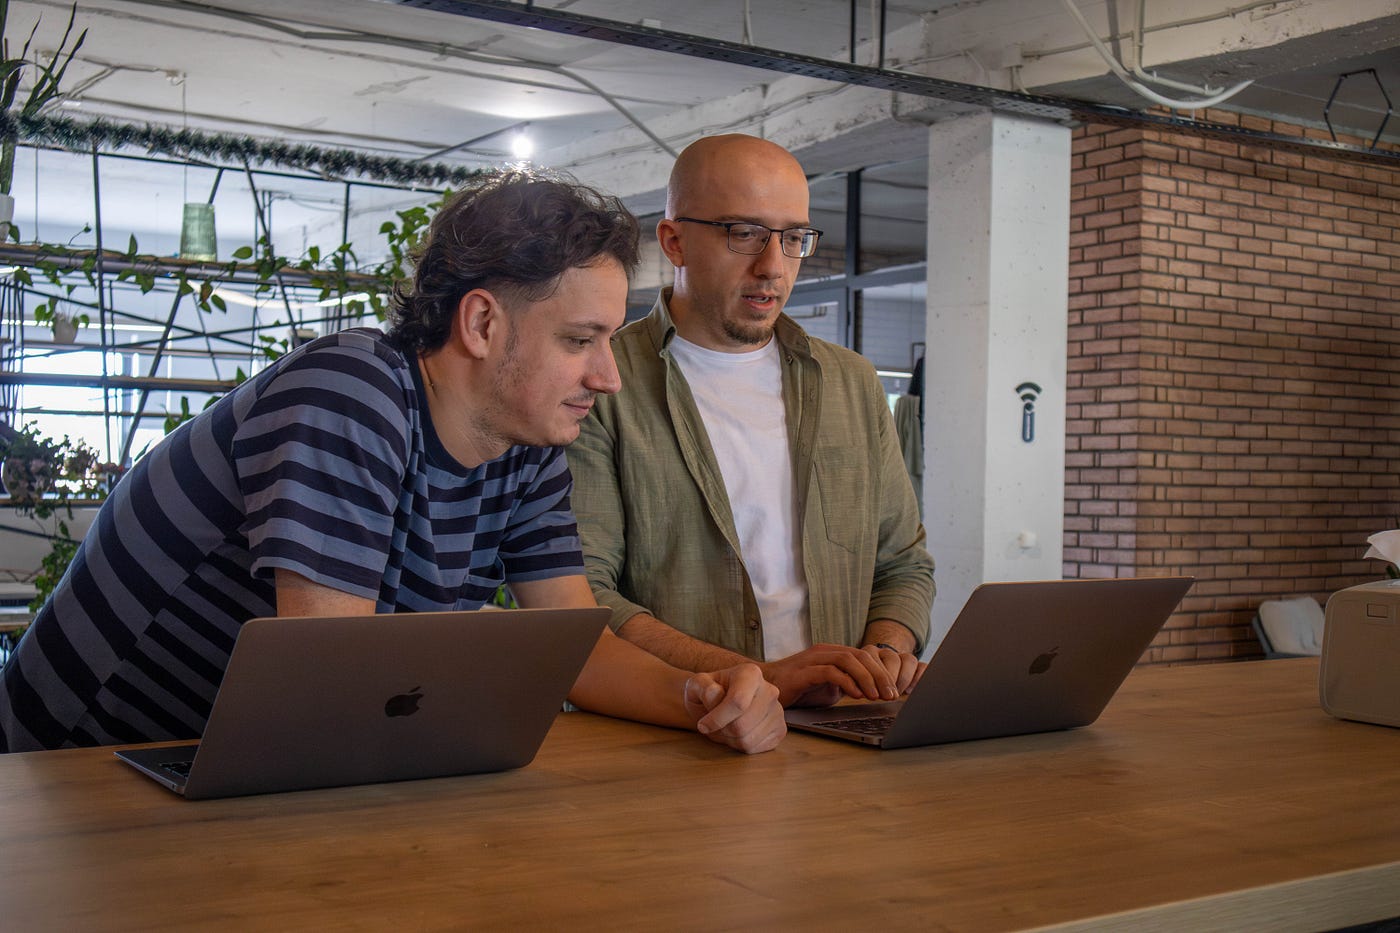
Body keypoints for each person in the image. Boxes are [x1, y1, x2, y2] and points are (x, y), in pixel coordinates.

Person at [0, 170, 785, 754]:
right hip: (75, 773)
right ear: (482, 323)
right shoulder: (351, 392)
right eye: (579, 341)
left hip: (228, 774)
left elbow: (575, 646)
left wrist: (702, 697)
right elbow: (337, 685)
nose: (606, 375)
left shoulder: (526, 443)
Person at [568, 134, 935, 708]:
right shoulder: (601, 384)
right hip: (681, 726)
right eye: (743, 234)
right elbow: (587, 596)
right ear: (674, 240)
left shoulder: (852, 383)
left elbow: (903, 563)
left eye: (793, 239)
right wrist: (756, 676)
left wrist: (887, 651)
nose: (773, 266)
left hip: (843, 724)